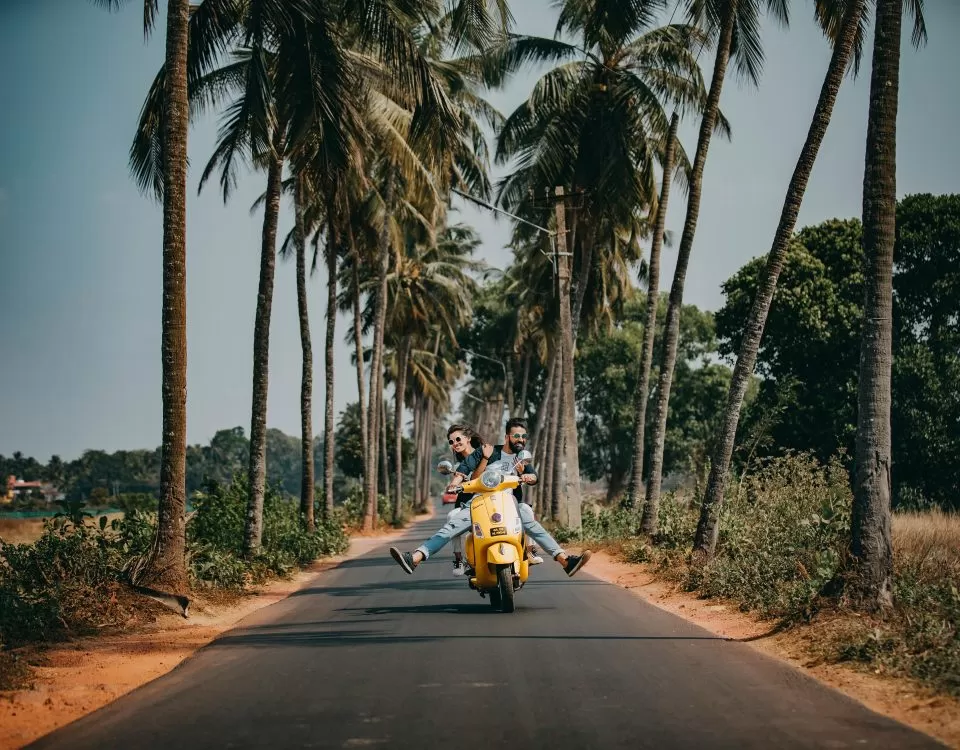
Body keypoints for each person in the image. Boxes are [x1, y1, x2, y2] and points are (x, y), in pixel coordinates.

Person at [389, 418, 591, 577]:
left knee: (529, 517)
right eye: (516, 435)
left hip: (509, 504)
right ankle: (415, 558)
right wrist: (455, 483)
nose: (520, 439)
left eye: (523, 436)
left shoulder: (520, 458)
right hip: (479, 504)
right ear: (507, 437)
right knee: (450, 526)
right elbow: (464, 470)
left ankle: (565, 561)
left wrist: (529, 477)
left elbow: (533, 476)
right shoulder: (486, 452)